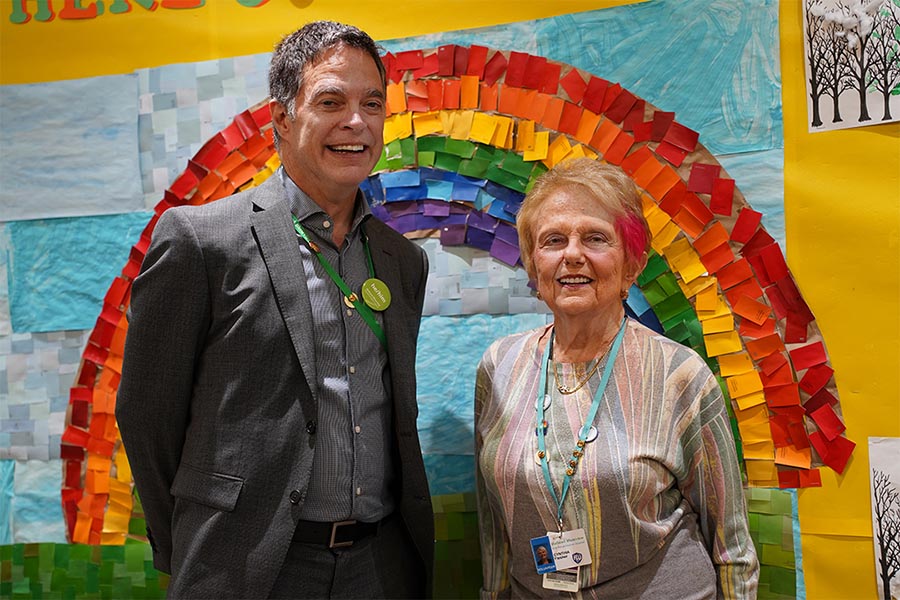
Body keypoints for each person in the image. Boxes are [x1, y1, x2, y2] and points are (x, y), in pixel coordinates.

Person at [116, 21, 433, 599]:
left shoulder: (402, 260)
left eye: (372, 104)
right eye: (331, 102)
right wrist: (192, 538)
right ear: (282, 118)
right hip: (247, 566)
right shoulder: (200, 241)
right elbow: (147, 416)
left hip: (380, 566)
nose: (355, 123)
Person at [474, 158, 759, 598]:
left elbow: (732, 545)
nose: (572, 254)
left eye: (595, 238)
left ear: (631, 263)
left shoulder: (679, 376)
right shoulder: (499, 367)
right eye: (553, 240)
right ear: (533, 264)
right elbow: (495, 528)